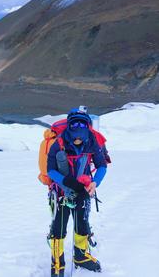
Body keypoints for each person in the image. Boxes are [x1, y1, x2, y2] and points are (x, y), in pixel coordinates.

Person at [47, 108, 107, 277]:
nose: (79, 141)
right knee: (58, 228)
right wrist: (67, 182)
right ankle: (57, 263)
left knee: (82, 224)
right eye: (76, 138)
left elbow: (101, 165)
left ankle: (80, 256)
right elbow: (50, 170)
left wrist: (95, 183)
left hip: (84, 190)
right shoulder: (58, 143)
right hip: (60, 192)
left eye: (81, 138)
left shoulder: (93, 141)